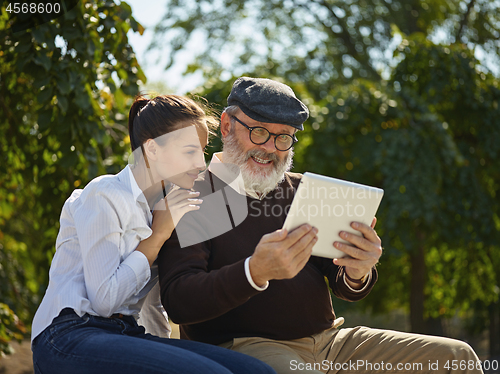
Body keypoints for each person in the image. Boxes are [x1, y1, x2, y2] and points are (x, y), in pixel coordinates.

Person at [157, 77, 484, 373]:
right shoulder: (193, 195)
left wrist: (358, 270)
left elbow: (342, 282)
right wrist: (254, 272)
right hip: (247, 348)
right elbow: (179, 302)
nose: (270, 148)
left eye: (284, 138)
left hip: (333, 343)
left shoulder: (305, 190)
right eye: (259, 132)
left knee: (457, 357)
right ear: (227, 125)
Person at [31, 94, 276, 374]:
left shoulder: (168, 205)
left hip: (125, 334)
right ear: (152, 150)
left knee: (256, 371)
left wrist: (165, 352)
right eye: (189, 151)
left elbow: (151, 304)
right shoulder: (105, 194)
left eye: (203, 151)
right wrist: (157, 235)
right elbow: (104, 300)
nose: (200, 163)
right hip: (68, 335)